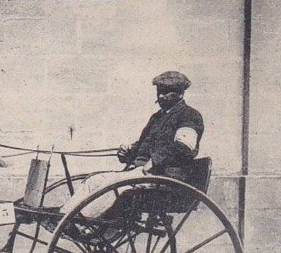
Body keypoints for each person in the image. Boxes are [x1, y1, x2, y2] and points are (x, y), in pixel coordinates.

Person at [61, 71, 204, 219]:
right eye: (159, 91)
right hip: (144, 174)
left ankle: (81, 223)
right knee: (94, 180)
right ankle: (63, 218)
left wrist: (155, 161)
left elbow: (183, 148)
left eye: (167, 92)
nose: (161, 96)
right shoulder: (157, 117)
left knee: (114, 185)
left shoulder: (189, 116)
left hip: (168, 178)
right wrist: (128, 153)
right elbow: (142, 146)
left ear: (181, 94)